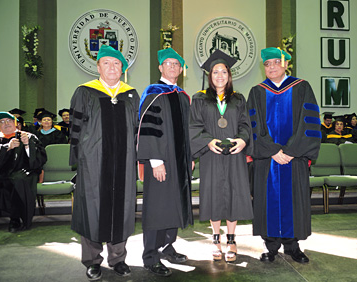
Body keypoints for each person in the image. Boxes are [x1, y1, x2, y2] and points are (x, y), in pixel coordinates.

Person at [69, 45, 140, 280]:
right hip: (93, 163)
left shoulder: (131, 95)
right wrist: (79, 161)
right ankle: (92, 261)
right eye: (107, 63)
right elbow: (75, 130)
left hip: (124, 163)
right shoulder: (85, 92)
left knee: (122, 208)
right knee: (93, 209)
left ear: (123, 69)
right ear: (98, 66)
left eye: (117, 63)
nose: (112, 67)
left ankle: (118, 259)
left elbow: (138, 131)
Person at [247, 47, 321, 264]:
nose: (271, 67)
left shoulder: (302, 88)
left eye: (275, 62)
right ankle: (270, 247)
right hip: (268, 159)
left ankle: (293, 247)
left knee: (293, 202)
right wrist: (272, 150)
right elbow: (254, 126)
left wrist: (290, 151)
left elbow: (308, 123)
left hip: (293, 158)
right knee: (267, 201)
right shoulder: (257, 91)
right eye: (267, 64)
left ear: (286, 63)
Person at [189, 50, 253, 262]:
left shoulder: (238, 99)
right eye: (215, 71)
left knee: (234, 194)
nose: (219, 75)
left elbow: (245, 124)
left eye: (223, 71)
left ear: (229, 75)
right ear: (210, 76)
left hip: (235, 153)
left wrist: (243, 140)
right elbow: (194, 125)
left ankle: (232, 240)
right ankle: (216, 240)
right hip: (211, 154)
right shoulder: (199, 99)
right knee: (214, 195)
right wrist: (208, 141)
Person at [137, 48, 193, 277]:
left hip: (179, 162)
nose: (172, 67)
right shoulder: (153, 93)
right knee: (157, 208)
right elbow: (147, 128)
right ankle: (150, 255)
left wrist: (188, 158)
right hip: (159, 162)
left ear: (181, 69)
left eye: (176, 64)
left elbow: (188, 131)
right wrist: (155, 160)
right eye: (168, 63)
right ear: (160, 67)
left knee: (174, 205)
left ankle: (167, 246)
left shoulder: (182, 95)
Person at [0, 112, 47, 232]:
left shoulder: (28, 136)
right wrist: (7, 147)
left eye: (8, 120)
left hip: (25, 172)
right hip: (1, 174)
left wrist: (27, 145)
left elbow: (39, 159)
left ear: (15, 123)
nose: (6, 124)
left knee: (18, 179)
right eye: (2, 122)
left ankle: (15, 218)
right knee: (7, 180)